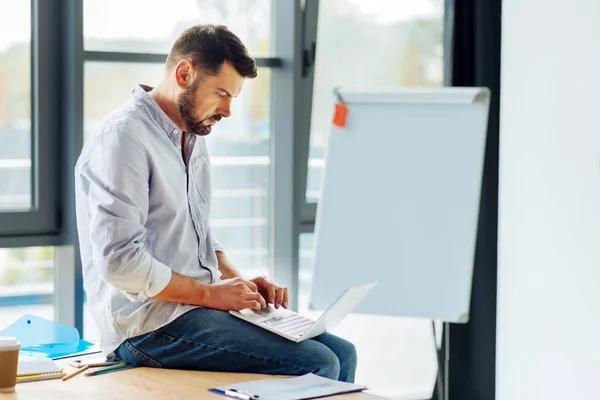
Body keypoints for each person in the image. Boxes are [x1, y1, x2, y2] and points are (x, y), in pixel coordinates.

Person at [74, 24, 357, 383]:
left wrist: (241, 284)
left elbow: (197, 233)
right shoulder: (122, 138)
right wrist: (211, 294)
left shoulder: (191, 134)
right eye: (221, 93)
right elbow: (120, 262)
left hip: (196, 308)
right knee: (319, 363)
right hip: (146, 324)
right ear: (184, 73)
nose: (227, 111)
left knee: (344, 353)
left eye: (233, 98)